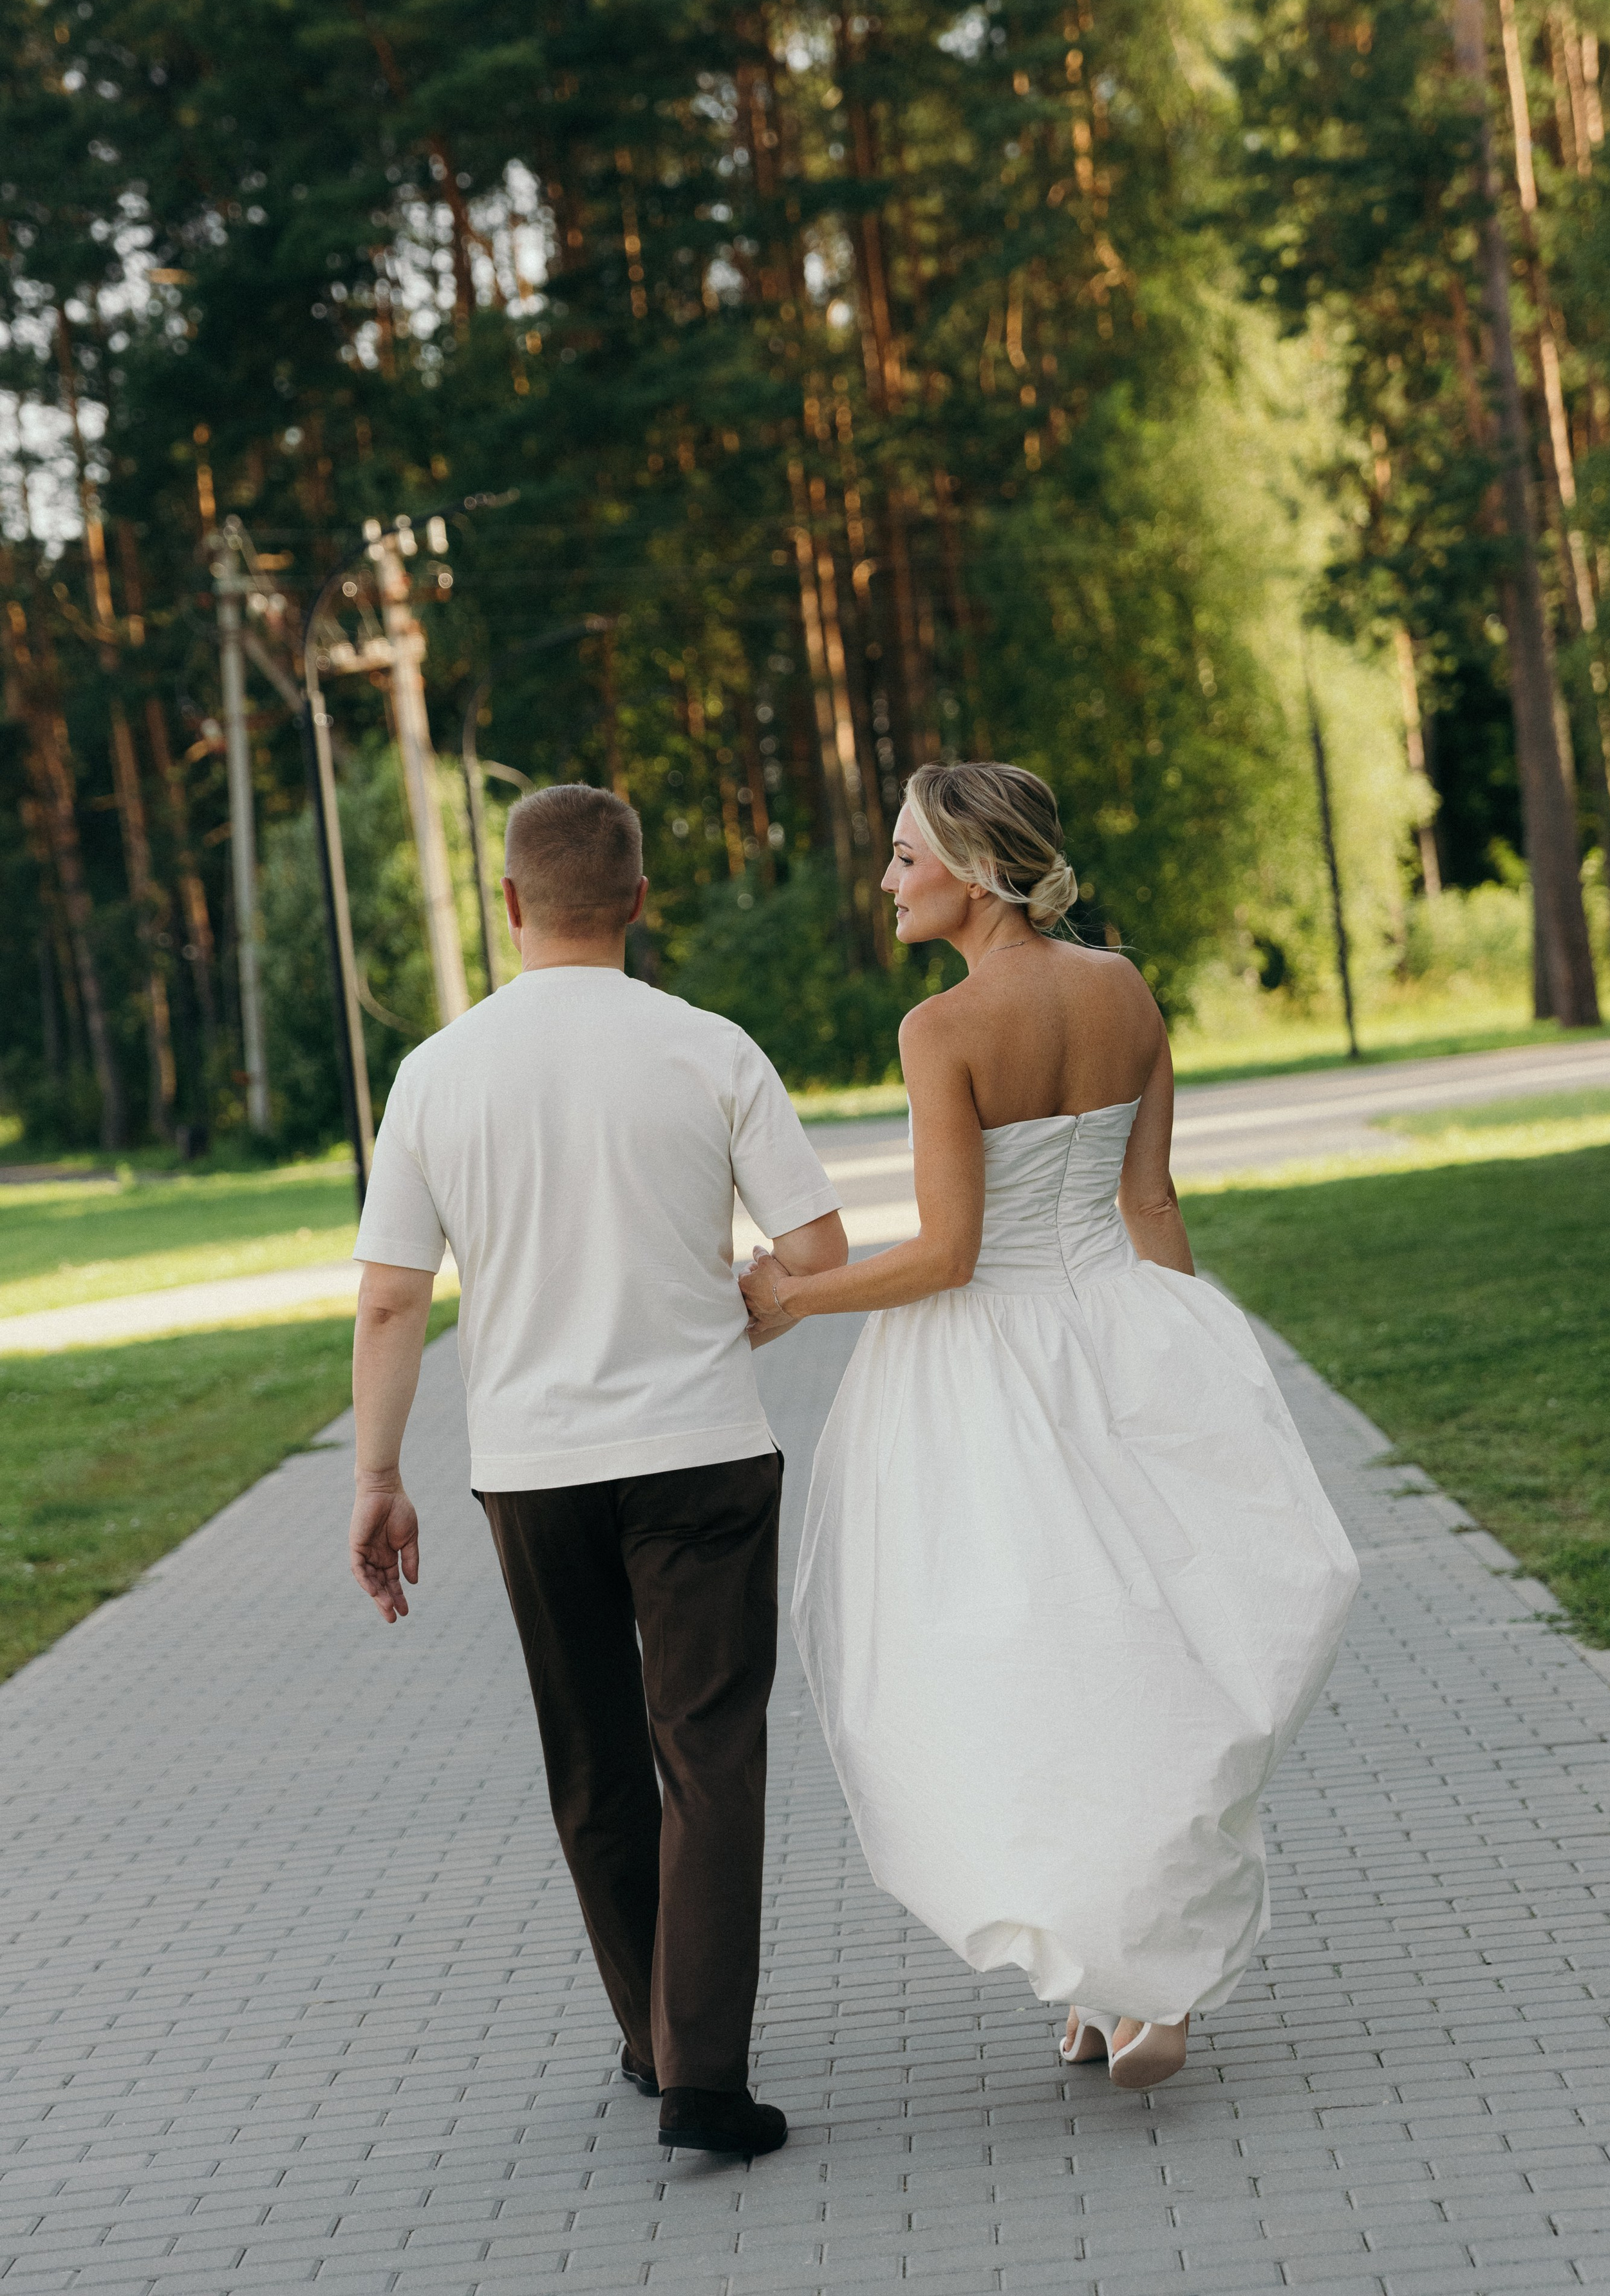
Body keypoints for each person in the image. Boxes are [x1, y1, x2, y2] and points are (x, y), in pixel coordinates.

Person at [741, 761, 1360, 2091]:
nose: (889, 879)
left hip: (990, 1378)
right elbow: (1149, 1203)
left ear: (970, 869)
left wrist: (792, 1294)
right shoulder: (1121, 986)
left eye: (904, 855)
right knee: (1147, 1653)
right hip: (1125, 1333)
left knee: (1024, 1666)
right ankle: (1108, 1980)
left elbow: (949, 1256)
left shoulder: (944, 1029)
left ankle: (1133, 1982)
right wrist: (1195, 1374)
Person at [347, 782, 845, 2158]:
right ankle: (706, 2074)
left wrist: (375, 1475)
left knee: (591, 1760)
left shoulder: (435, 1071)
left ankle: (647, 2034)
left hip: (530, 1468)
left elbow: (392, 1298)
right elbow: (817, 1255)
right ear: (636, 900)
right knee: (709, 1756)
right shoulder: (708, 1048)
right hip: (700, 1453)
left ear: (508, 904)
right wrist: (758, 1293)